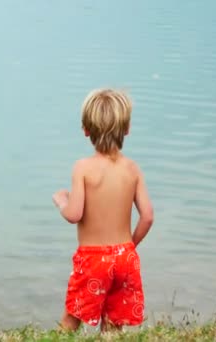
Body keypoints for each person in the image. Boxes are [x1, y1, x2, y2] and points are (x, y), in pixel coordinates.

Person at [52, 88, 154, 333]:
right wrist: (129, 246)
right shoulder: (132, 168)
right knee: (113, 321)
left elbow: (74, 214)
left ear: (86, 130)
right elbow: (148, 217)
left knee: (72, 316)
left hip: (93, 259)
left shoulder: (83, 168)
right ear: (127, 129)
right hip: (125, 258)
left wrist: (62, 200)